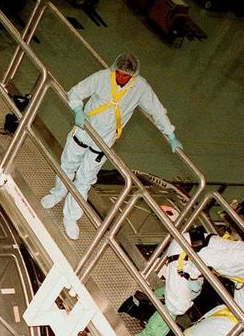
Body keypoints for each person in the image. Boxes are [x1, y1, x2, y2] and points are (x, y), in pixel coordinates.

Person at [41, 54, 180, 241]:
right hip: (83, 131)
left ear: (133, 76)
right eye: (120, 74)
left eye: (127, 76)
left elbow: (157, 110)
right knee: (67, 166)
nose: (122, 78)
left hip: (104, 141)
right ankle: (57, 193)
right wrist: (78, 109)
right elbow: (75, 92)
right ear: (114, 69)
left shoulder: (140, 88)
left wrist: (170, 134)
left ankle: (71, 217)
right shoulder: (101, 77)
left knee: (85, 179)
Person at [134, 226, 209, 336]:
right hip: (187, 263)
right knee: (176, 305)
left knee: (175, 291)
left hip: (184, 253)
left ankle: (148, 300)